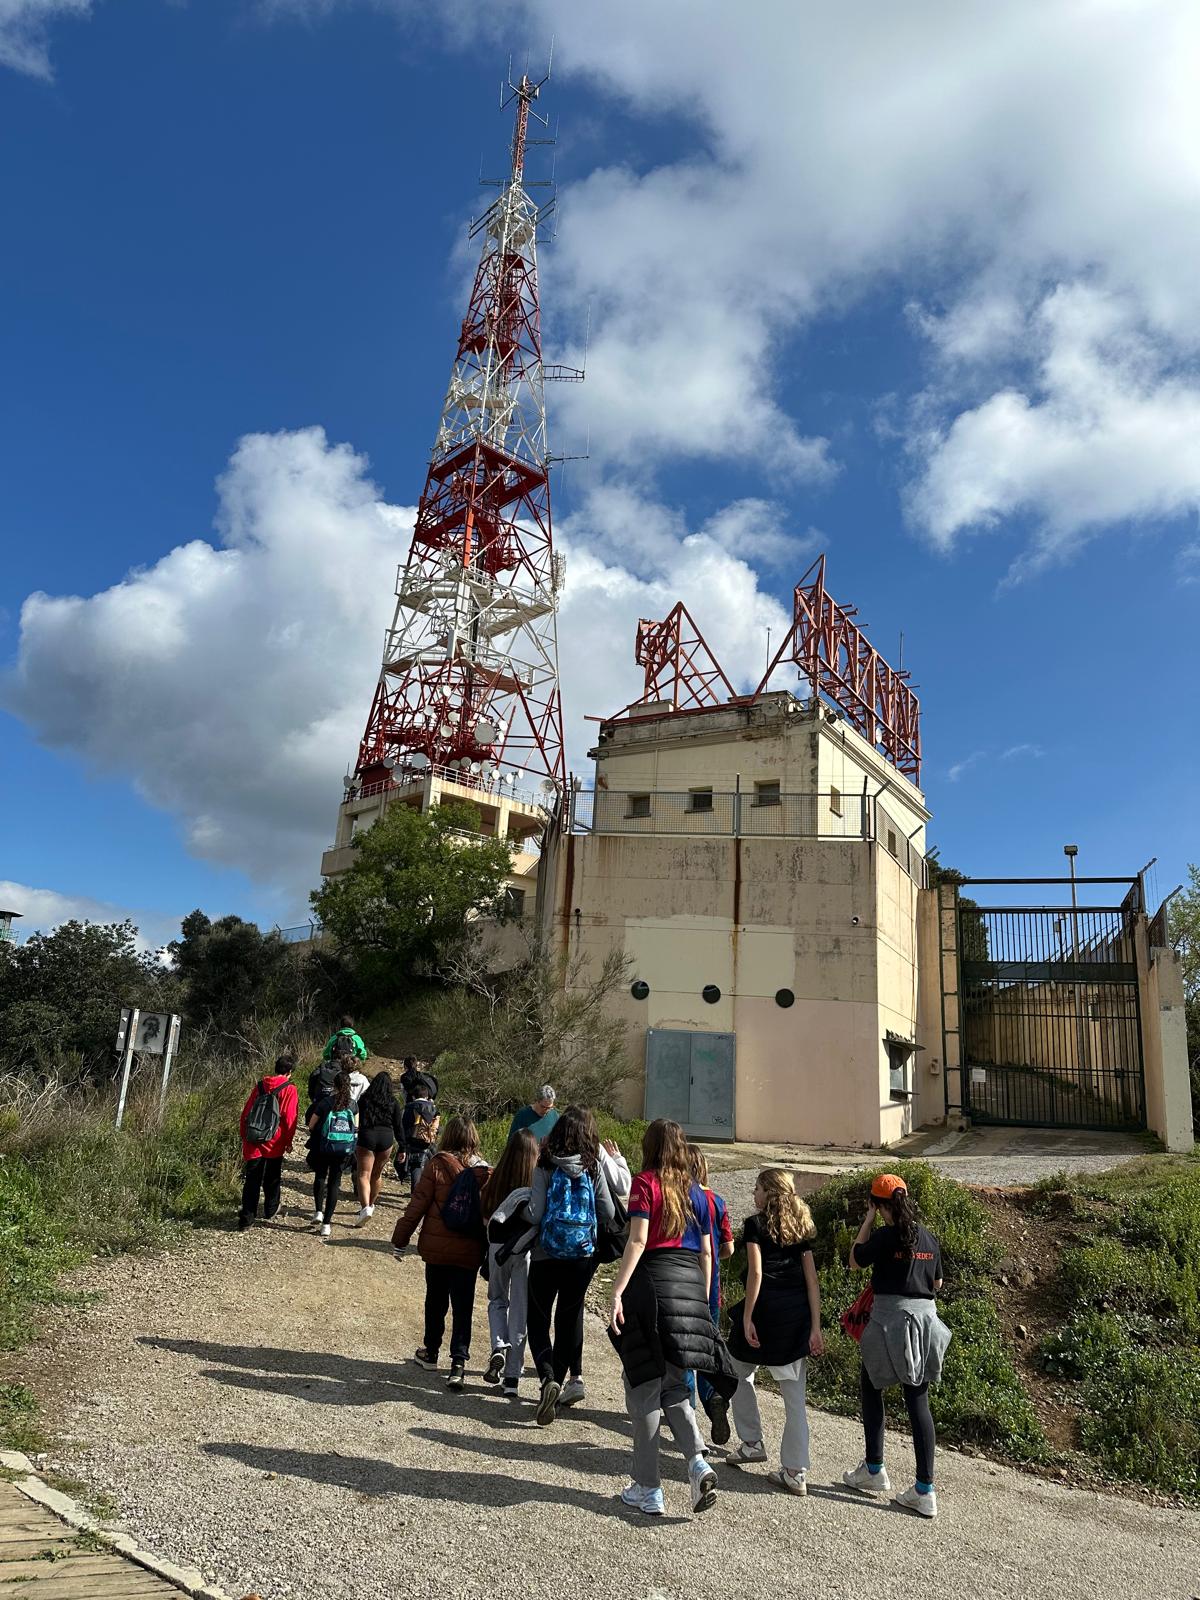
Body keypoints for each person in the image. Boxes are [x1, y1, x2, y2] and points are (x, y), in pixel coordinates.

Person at [609, 1118, 736, 1518]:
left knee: (644, 1385)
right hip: (689, 1288)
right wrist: (700, 1300)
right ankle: (697, 1463)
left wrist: (616, 1291)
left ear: (649, 1146)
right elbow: (706, 1253)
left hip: (651, 1284)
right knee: (676, 1388)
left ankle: (648, 1488)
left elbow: (639, 1240)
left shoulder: (644, 1183)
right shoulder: (697, 1193)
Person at [843, 1173, 950, 1519]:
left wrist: (867, 1221)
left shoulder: (886, 1236)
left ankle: (874, 1469)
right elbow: (938, 1281)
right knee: (918, 1399)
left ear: (878, 1204)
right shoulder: (928, 1238)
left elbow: (855, 1259)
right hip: (925, 1324)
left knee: (872, 1386)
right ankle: (924, 1489)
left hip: (890, 1321)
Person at [724, 1170, 824, 1495]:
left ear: (768, 1192)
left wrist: (748, 1317)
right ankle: (795, 1472)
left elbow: (756, 1272)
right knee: (794, 1399)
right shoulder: (802, 1227)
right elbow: (812, 1281)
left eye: (757, 1188)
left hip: (766, 1312)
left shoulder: (755, 1225)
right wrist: (816, 1327)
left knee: (737, 1370)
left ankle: (752, 1442)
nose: (753, 1194)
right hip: (795, 1320)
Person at [525, 1108, 616, 1426]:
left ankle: (547, 1376)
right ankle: (559, 1380)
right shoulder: (593, 1166)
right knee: (567, 1320)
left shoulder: (545, 1163)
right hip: (581, 1256)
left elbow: (535, 1215)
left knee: (537, 1319)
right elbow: (605, 1210)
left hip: (545, 1254)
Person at [392, 1115, 491, 1390]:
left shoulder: (436, 1165)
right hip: (469, 1250)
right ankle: (458, 1363)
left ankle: (431, 1351)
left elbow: (418, 1204)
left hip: (437, 1249)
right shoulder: (484, 1171)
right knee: (463, 1306)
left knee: (435, 1300)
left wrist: (400, 1238)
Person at [560, 1110, 631, 1408]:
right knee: (573, 1305)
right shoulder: (596, 1152)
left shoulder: (552, 1152)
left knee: (560, 1308)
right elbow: (623, 1187)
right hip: (589, 1242)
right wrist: (618, 1160)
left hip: (555, 1242)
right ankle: (572, 1375)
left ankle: (558, 1374)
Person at [480, 1129, 539, 1397]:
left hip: (497, 1248)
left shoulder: (497, 1178)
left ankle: (498, 1346)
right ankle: (512, 1379)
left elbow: (485, 1214)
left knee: (497, 1301)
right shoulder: (536, 1183)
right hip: (524, 1250)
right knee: (520, 1310)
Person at [689, 1146, 736, 1442]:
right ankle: (713, 1396)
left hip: (681, 1286)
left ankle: (684, 1408)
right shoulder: (717, 1201)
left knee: (681, 1352)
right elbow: (729, 1248)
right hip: (712, 1289)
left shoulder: (681, 1199)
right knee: (706, 1352)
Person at [237, 1054, 299, 1231]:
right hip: (275, 1140)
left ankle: (246, 1219)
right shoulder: (289, 1089)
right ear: (289, 1072)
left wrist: (244, 1135)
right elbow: (289, 1118)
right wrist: (288, 1141)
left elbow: (246, 1112)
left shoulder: (260, 1085)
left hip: (254, 1139)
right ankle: (270, 1210)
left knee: (252, 1180)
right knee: (272, 1177)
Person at [306, 1070, 358, 1239]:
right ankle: (326, 1224)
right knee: (335, 1183)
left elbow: (311, 1125)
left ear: (334, 1085)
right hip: (343, 1149)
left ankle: (318, 1211)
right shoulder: (353, 1105)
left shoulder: (325, 1102)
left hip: (324, 1146)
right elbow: (356, 1129)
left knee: (320, 1177)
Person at [354, 1071, 405, 1222]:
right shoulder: (393, 1102)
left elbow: (357, 1119)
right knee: (377, 1174)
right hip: (386, 1138)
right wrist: (403, 1147)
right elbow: (398, 1126)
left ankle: (365, 1209)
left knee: (363, 1174)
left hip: (367, 1136)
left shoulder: (364, 1099)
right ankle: (371, 1204)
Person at [400, 1075, 440, 1194]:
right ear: (427, 1096)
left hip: (414, 1140)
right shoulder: (433, 1108)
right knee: (426, 1165)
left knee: (415, 1167)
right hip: (429, 1140)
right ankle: (425, 1192)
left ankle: (415, 1193)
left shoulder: (410, 1107)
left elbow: (404, 1125)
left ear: (413, 1096)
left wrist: (404, 1141)